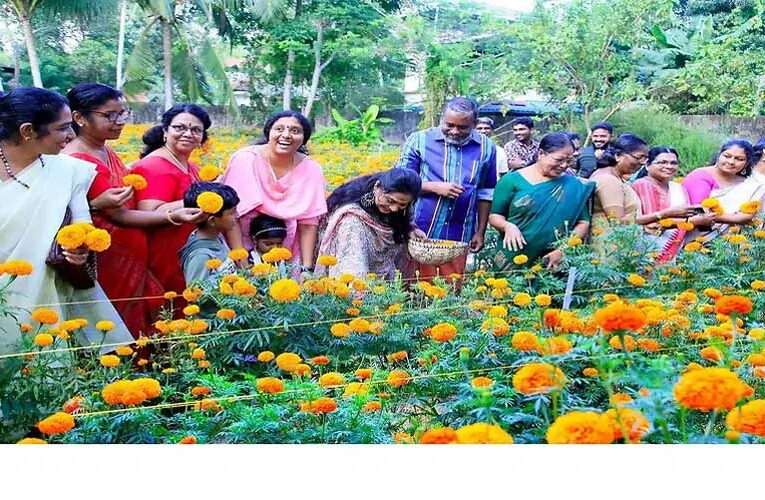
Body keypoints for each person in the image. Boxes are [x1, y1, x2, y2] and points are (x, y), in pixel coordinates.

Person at [0, 87, 133, 360]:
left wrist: (81, 248)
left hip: (46, 296)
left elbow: (82, 226)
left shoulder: (68, 171)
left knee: (41, 375)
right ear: (28, 131)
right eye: (62, 129)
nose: (71, 136)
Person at [63, 83, 202, 338]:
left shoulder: (104, 148)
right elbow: (120, 215)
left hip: (132, 250)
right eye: (109, 115)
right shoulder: (77, 158)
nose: (119, 122)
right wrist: (172, 215)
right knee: (115, 322)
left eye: (122, 113)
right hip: (107, 254)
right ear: (79, 118)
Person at [396, 97, 497, 280]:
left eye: (462, 127)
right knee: (411, 288)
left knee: (449, 290)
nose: (455, 131)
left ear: (474, 124)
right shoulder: (418, 140)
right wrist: (433, 187)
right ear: (441, 119)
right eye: (449, 125)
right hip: (419, 230)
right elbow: (399, 183)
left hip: (459, 233)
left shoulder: (487, 148)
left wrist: (480, 231)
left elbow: (486, 193)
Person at [221, 110, 327, 272]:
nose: (286, 135)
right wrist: (241, 260)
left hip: (288, 249)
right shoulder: (245, 160)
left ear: (304, 138)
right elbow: (232, 215)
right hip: (241, 243)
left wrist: (306, 269)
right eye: (279, 129)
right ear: (269, 132)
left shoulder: (311, 169)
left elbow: (308, 223)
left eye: (295, 131)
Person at [131, 104, 210, 295]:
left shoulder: (191, 166)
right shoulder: (154, 165)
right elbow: (149, 213)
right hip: (166, 252)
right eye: (180, 128)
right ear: (165, 131)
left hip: (190, 250)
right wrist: (203, 198)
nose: (188, 134)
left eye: (196, 130)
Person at [488, 132, 595, 270]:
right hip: (514, 254)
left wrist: (563, 250)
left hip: (554, 261)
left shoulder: (573, 185)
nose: (564, 166)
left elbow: (583, 222)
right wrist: (508, 226)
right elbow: (495, 216)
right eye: (558, 160)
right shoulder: (511, 180)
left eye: (569, 161)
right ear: (541, 153)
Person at [315, 168, 422, 280]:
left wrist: (411, 230)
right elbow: (351, 261)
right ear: (377, 187)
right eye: (390, 201)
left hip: (381, 282)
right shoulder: (351, 216)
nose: (394, 208)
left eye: (402, 205)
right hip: (353, 269)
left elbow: (402, 225)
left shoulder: (398, 210)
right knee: (352, 228)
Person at [682, 140, 765, 242]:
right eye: (727, 156)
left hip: (731, 246)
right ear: (719, 155)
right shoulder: (701, 176)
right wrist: (737, 218)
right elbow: (697, 213)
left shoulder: (748, 183)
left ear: (747, 163)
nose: (731, 162)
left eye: (739, 159)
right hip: (696, 239)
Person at [630, 147, 697, 261]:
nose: (669, 166)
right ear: (647, 165)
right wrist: (695, 220)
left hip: (674, 246)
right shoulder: (642, 184)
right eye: (662, 162)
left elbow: (687, 215)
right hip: (648, 247)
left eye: (673, 163)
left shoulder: (678, 188)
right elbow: (652, 223)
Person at [590, 134, 649, 244]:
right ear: (618, 156)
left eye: (645, 158)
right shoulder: (608, 180)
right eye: (639, 157)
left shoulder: (615, 178)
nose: (642, 162)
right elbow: (618, 222)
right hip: (609, 248)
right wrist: (661, 215)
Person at [178, 182, 240, 283]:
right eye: (232, 212)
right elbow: (197, 294)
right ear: (212, 221)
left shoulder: (217, 236)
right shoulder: (201, 256)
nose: (237, 215)